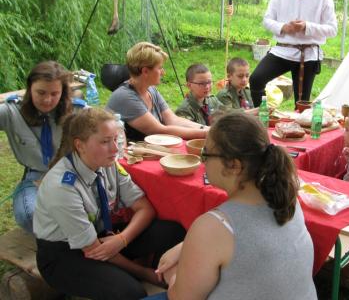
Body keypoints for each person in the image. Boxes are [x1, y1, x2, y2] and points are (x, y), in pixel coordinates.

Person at [150, 112, 317, 300]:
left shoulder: (213, 227)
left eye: (206, 154)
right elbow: (250, 238)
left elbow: (181, 297)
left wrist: (173, 274)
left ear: (234, 166)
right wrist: (185, 247)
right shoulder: (287, 198)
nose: (202, 160)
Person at [33, 108, 186, 300]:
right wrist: (144, 274)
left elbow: (144, 208)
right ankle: (146, 273)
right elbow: (92, 249)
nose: (115, 149)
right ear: (79, 145)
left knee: (173, 230)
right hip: (65, 254)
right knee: (131, 292)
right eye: (105, 142)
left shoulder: (108, 164)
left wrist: (121, 240)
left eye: (115, 139)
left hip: (104, 238)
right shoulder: (62, 188)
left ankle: (158, 271)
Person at [249, 0, 337, 107]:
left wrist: (307, 27)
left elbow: (332, 29)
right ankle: (261, 119)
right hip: (283, 50)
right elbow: (267, 20)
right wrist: (284, 27)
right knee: (256, 79)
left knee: (301, 104)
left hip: (308, 54)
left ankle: (299, 129)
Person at [0, 61, 77, 233]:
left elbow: (106, 126)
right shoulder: (11, 112)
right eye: (41, 92)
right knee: (29, 215)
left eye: (54, 93)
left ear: (63, 92)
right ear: (29, 89)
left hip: (70, 174)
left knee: (88, 209)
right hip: (34, 178)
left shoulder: (76, 111)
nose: (47, 100)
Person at [107, 42, 208, 142]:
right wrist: (206, 134)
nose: (163, 72)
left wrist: (206, 129)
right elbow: (159, 131)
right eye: (160, 68)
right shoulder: (125, 97)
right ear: (145, 71)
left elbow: (173, 120)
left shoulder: (150, 90)